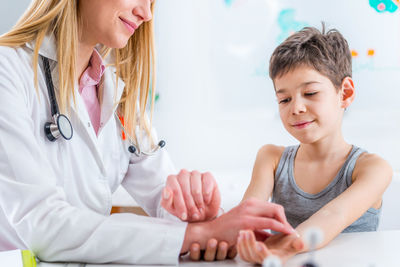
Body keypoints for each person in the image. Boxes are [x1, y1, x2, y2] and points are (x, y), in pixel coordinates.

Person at [0, 0, 296, 265]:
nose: (146, 13)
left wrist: (195, 212)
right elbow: (41, 225)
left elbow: (165, 197)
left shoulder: (115, 91)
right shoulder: (8, 71)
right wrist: (199, 234)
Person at [236, 25, 393, 264]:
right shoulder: (271, 158)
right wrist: (237, 237)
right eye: (284, 99)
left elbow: (333, 215)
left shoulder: (373, 169)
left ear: (346, 93)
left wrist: (286, 246)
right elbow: (247, 216)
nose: (296, 107)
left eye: (310, 93)